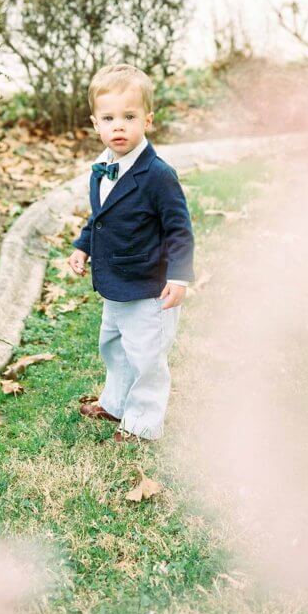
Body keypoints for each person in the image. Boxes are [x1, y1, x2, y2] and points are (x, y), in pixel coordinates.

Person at [68, 63, 195, 442]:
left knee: (146, 357)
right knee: (114, 346)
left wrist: (179, 276)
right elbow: (101, 218)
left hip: (149, 287)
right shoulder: (102, 168)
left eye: (129, 116)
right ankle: (116, 403)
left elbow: (179, 229)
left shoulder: (157, 174)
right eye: (108, 118)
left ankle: (142, 423)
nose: (118, 126)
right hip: (115, 284)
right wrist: (83, 246)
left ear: (148, 120)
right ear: (95, 123)